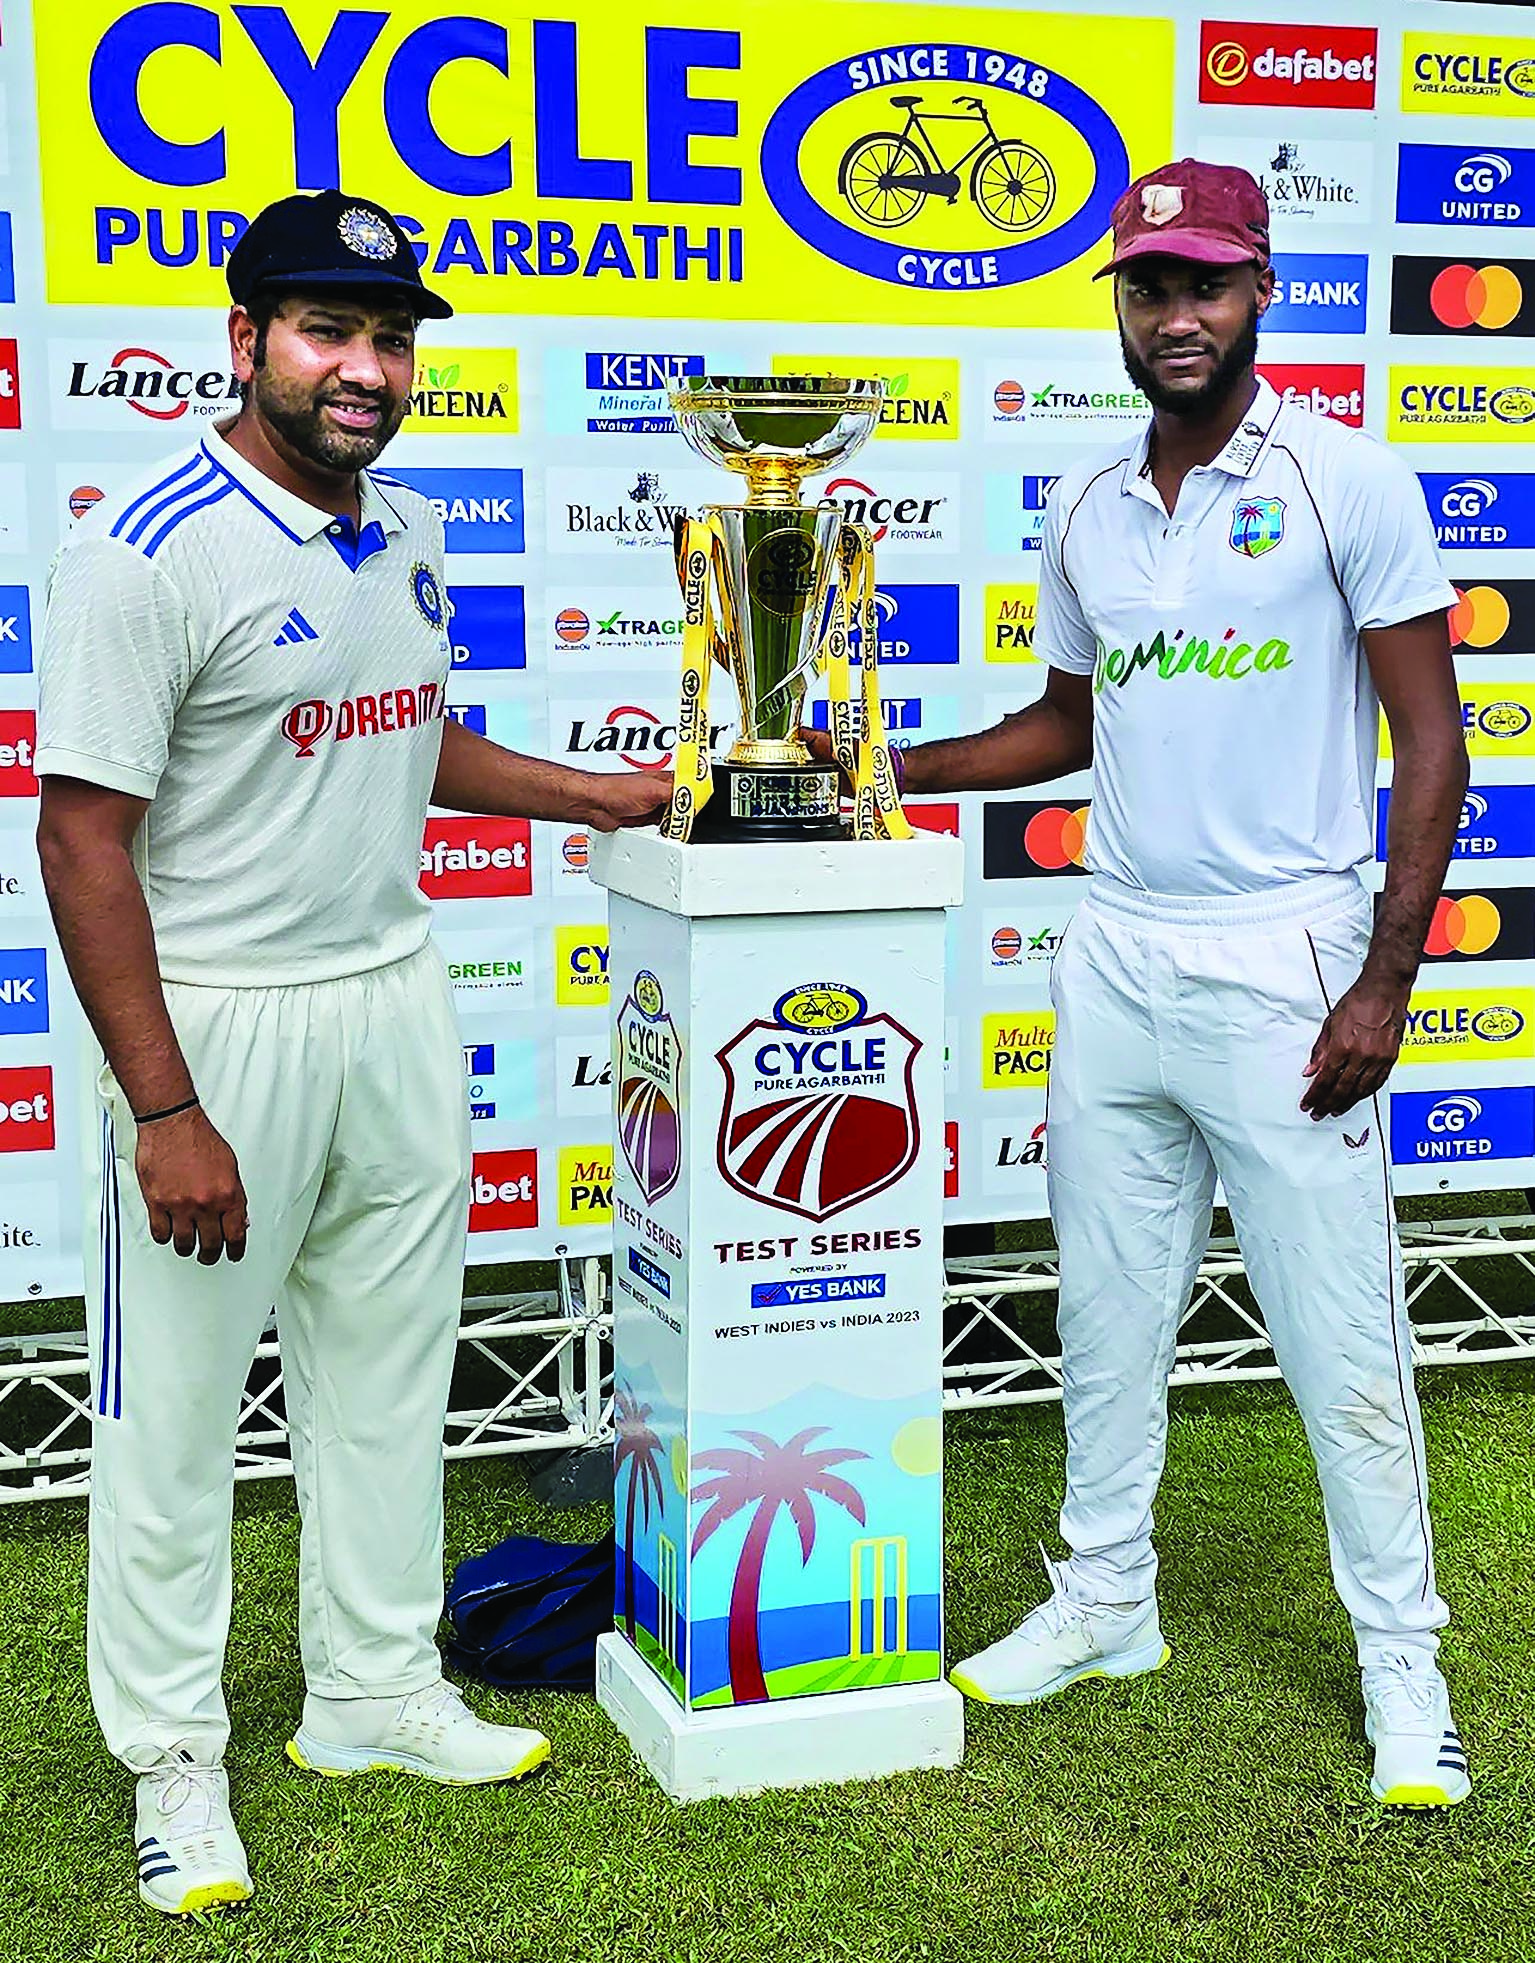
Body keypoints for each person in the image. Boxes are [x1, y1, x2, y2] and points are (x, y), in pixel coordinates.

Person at [36, 189, 670, 1916]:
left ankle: (373, 1688)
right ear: (245, 343)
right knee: (171, 1418)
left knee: (389, 1375)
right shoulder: (147, 546)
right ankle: (172, 1754)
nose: (365, 367)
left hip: (389, 993)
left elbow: (414, 736)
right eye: (326, 331)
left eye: (388, 336)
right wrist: (165, 1106)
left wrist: (588, 791)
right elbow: (83, 837)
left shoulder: (398, 530)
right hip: (216, 1018)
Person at [822, 159, 1472, 1806]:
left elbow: (1431, 738)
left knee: (1340, 1344)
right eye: (1145, 287)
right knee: (1103, 1316)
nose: (1172, 316)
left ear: (1258, 291)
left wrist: (1383, 979)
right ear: (1114, 303)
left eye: (1202, 285)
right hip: (1113, 949)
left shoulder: (1341, 475)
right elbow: (1068, 725)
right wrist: (880, 767)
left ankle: (1404, 1663)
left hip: (1287, 955)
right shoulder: (1094, 502)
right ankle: (1104, 1595)